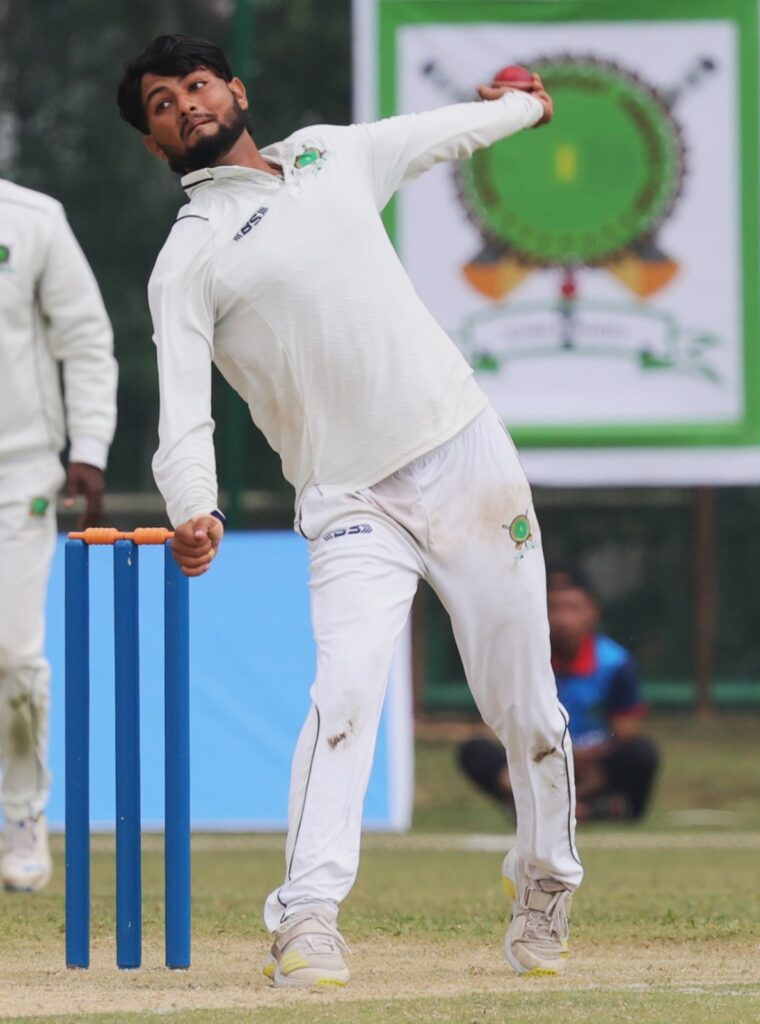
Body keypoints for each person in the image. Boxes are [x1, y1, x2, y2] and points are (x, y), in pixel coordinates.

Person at [116, 34, 581, 986]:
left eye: (197, 85)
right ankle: (308, 916)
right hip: (347, 497)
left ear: (237, 90)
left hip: (464, 454)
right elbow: (180, 407)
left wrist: (525, 109)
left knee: (525, 704)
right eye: (163, 105)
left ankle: (545, 876)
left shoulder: (331, 155)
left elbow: (435, 134)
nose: (186, 106)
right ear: (157, 146)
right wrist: (193, 507)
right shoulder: (188, 257)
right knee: (347, 694)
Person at [0, 178, 118, 892]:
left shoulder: (33, 218)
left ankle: (19, 817)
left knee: (13, 654)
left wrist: (91, 446)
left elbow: (85, 338)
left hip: (17, 474)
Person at [461, 566, 659, 823]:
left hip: (590, 767)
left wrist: (570, 757)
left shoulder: (615, 662)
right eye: (554, 608)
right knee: (475, 751)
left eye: (573, 608)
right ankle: (558, 807)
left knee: (640, 753)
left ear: (592, 612)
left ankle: (560, 808)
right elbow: (501, 726)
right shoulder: (524, 660)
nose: (563, 619)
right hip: (537, 762)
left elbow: (624, 733)